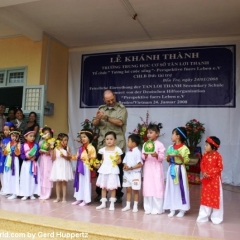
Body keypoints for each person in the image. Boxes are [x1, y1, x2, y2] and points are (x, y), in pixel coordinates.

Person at [92, 89, 128, 203]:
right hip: (103, 145)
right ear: (104, 100)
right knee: (101, 170)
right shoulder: (101, 108)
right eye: (108, 100)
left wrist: (106, 118)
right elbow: (94, 123)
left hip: (117, 145)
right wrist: (98, 118)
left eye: (112, 99)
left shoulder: (121, 109)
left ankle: (117, 194)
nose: (111, 102)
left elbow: (120, 122)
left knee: (117, 171)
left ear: (115, 97)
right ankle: (100, 194)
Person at [163, 127, 190, 218]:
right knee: (171, 187)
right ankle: (172, 208)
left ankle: (182, 209)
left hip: (179, 169)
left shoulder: (184, 148)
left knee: (180, 188)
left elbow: (185, 161)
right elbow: (167, 159)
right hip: (172, 168)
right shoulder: (170, 147)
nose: (172, 136)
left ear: (178, 136)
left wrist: (179, 156)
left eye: (173, 134)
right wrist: (168, 157)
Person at [196, 136, 223, 224]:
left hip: (215, 181)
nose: (205, 147)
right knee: (205, 198)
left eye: (207, 145)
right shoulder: (205, 155)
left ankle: (216, 218)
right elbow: (202, 164)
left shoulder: (218, 156)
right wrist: (204, 172)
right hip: (206, 180)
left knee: (215, 198)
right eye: (205, 145)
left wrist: (210, 173)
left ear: (214, 147)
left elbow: (220, 167)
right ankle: (203, 216)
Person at [142, 123, 165, 215]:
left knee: (157, 186)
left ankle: (157, 208)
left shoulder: (160, 145)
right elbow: (143, 157)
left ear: (157, 133)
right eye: (148, 132)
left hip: (156, 168)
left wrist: (157, 155)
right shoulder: (145, 144)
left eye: (151, 132)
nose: (148, 134)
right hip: (148, 168)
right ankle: (148, 208)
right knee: (148, 186)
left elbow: (162, 157)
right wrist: (145, 155)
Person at [96, 131, 123, 210]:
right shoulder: (103, 150)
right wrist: (98, 164)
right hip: (104, 169)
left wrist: (116, 161)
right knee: (103, 187)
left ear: (115, 140)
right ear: (105, 140)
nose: (109, 141)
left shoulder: (117, 149)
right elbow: (102, 160)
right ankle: (103, 203)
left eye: (111, 139)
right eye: (107, 139)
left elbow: (119, 160)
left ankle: (112, 203)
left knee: (112, 187)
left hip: (112, 169)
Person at [72, 129, 96, 206]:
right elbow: (76, 157)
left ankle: (86, 199)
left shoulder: (91, 147)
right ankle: (79, 198)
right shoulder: (80, 148)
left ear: (89, 138)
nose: (82, 138)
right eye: (81, 137)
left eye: (84, 137)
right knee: (80, 182)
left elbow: (94, 157)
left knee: (85, 182)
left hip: (86, 166)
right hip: (79, 165)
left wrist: (90, 157)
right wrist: (69, 156)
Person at [122, 134, 143, 213]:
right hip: (127, 174)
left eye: (128, 141)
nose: (127, 143)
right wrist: (125, 166)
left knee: (135, 190)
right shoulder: (128, 152)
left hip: (134, 174)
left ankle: (135, 206)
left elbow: (140, 164)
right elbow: (124, 162)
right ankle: (127, 205)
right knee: (128, 189)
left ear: (134, 143)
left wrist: (131, 168)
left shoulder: (137, 152)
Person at [50, 133, 73, 203]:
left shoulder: (67, 148)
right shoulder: (56, 149)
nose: (66, 142)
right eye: (64, 140)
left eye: (67, 140)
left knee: (64, 182)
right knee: (58, 183)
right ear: (59, 141)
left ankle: (64, 198)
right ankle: (58, 197)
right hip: (57, 166)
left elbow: (69, 158)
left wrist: (64, 156)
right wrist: (52, 150)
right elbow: (53, 158)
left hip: (64, 166)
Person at [19, 130, 40, 200]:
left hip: (34, 163)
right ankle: (25, 193)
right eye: (30, 136)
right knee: (26, 178)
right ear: (26, 137)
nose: (32, 138)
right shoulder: (23, 145)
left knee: (33, 179)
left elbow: (38, 153)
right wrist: (26, 157)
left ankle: (32, 193)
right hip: (26, 164)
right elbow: (21, 155)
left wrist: (35, 157)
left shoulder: (36, 145)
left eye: (33, 136)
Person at [2, 129, 21, 199]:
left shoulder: (18, 143)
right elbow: (5, 153)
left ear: (18, 137)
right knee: (8, 175)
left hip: (14, 160)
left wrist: (15, 147)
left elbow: (18, 153)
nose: (14, 137)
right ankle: (10, 191)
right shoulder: (9, 143)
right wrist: (4, 149)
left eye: (15, 136)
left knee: (14, 175)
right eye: (12, 136)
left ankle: (15, 193)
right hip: (8, 160)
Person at [38, 126, 54, 200]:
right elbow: (39, 151)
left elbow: (51, 152)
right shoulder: (41, 142)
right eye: (44, 133)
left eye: (48, 133)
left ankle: (48, 193)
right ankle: (42, 192)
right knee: (42, 174)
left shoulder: (52, 142)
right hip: (42, 160)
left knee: (47, 174)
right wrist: (41, 151)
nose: (46, 134)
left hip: (48, 160)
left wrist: (48, 151)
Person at [0, 122, 15, 195]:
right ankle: (3, 188)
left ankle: (8, 189)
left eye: (7, 130)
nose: (5, 131)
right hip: (2, 158)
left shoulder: (12, 140)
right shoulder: (3, 140)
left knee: (7, 173)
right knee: (1, 173)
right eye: (4, 130)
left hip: (8, 159)